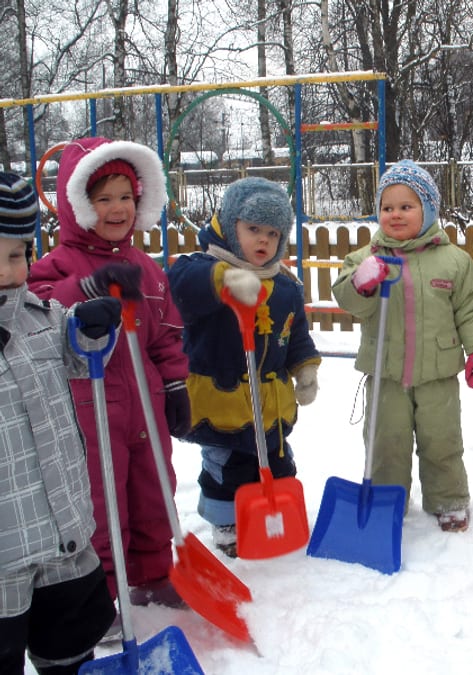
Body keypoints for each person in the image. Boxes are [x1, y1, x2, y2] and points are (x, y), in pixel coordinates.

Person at [27, 138, 191, 612]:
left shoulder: (145, 268)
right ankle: (102, 595)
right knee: (101, 506)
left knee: (154, 493)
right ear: (79, 204)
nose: (117, 209)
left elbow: (165, 333)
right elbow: (39, 310)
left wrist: (176, 384)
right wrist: (83, 289)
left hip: (146, 404)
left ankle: (154, 574)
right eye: (104, 199)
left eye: (126, 197)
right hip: (90, 409)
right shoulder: (57, 264)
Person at [332, 160, 473, 533]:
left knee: (442, 440)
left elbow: (470, 310)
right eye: (387, 208)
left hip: (438, 373)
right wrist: (362, 282)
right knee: (385, 442)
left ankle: (448, 498)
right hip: (385, 372)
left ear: (428, 210)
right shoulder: (365, 258)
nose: (396, 215)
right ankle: (387, 500)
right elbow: (348, 301)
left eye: (407, 206)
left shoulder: (453, 260)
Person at [0, 172, 119, 674]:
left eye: (20, 254)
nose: (16, 268)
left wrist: (90, 329)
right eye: (3, 255)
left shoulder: (39, 315)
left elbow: (79, 357)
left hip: (64, 532)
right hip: (4, 552)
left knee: (69, 646)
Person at [168, 176, 321, 557]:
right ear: (229, 224)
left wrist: (305, 369)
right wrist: (222, 281)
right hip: (222, 397)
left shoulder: (284, 286)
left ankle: (278, 516)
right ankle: (227, 522)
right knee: (226, 464)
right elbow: (178, 286)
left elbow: (296, 334)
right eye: (253, 229)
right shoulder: (202, 268)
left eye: (273, 233)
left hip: (269, 400)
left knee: (277, 460)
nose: (263, 241)